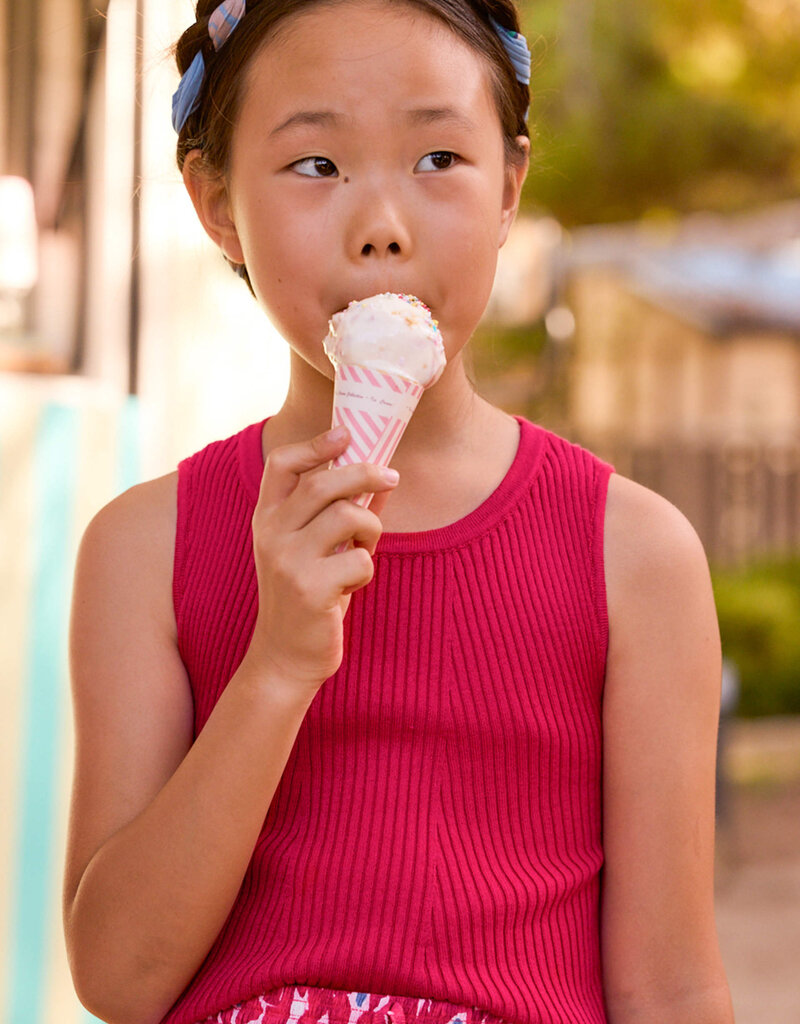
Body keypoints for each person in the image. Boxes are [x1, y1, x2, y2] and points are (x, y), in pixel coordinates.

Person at [62, 2, 735, 1023]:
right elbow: (117, 978)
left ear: (508, 186)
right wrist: (278, 662)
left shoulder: (633, 556)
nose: (381, 223)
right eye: (315, 166)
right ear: (216, 205)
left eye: (436, 158)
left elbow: (672, 986)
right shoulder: (142, 549)